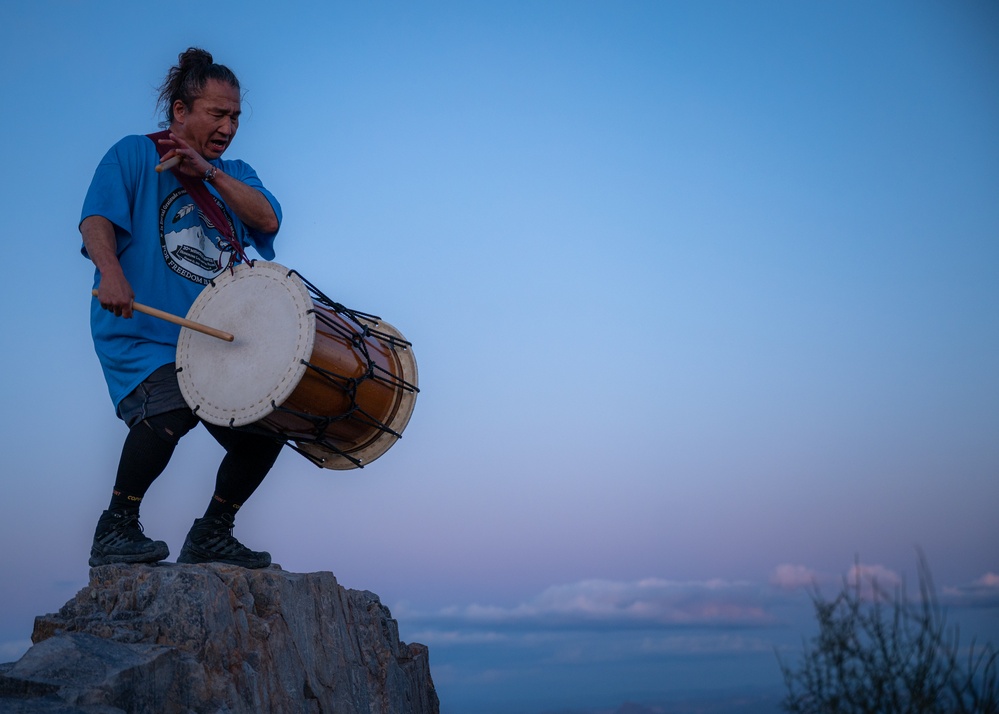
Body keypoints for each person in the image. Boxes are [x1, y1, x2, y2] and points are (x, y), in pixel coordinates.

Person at [80, 48, 285, 569]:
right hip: (144, 329)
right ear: (180, 111)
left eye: (235, 115)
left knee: (266, 432)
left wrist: (209, 173)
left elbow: (269, 221)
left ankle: (213, 532)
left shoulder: (237, 173)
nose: (228, 125)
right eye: (217, 113)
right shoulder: (132, 154)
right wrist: (111, 272)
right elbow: (96, 219)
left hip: (210, 343)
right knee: (171, 409)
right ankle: (115, 528)